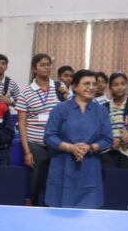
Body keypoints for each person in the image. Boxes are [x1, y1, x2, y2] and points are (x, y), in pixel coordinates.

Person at [44, 70, 113, 208]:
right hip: (63, 165)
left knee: (89, 216)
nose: (91, 87)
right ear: (74, 87)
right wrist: (70, 148)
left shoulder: (102, 111)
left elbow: (107, 139)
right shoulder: (60, 109)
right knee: (60, 214)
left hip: (90, 167)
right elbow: (49, 137)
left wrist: (90, 147)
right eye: (86, 83)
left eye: (94, 84)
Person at [16, 54, 67, 205]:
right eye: (42, 64)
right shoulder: (25, 92)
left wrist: (66, 95)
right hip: (35, 142)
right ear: (34, 69)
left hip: (57, 142)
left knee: (55, 178)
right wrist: (27, 151)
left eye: (48, 64)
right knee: (36, 179)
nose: (47, 67)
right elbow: (22, 124)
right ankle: (34, 205)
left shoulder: (60, 87)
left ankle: (53, 206)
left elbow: (71, 111)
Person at [100, 72, 128, 170]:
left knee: (126, 181)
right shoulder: (104, 107)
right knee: (110, 181)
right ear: (110, 87)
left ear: (127, 85)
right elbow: (100, 130)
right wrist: (110, 140)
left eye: (122, 84)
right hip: (108, 151)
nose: (119, 87)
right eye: (115, 85)